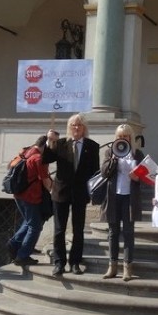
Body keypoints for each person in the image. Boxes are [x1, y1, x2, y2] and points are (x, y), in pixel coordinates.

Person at [48, 114, 99, 276]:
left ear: (84, 128)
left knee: (78, 230)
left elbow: (94, 172)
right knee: (59, 230)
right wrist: (50, 141)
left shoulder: (92, 146)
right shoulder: (61, 144)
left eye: (79, 125)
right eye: (73, 125)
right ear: (69, 128)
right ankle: (59, 262)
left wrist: (92, 191)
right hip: (61, 192)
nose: (76, 128)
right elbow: (46, 159)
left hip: (80, 193)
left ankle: (75, 262)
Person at [99, 124, 145, 281]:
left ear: (130, 138)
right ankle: (112, 266)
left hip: (129, 198)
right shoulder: (110, 152)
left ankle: (127, 267)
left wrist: (137, 178)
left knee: (128, 232)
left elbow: (146, 176)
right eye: (120, 136)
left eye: (125, 136)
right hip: (114, 196)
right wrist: (113, 161)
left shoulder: (137, 154)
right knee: (113, 232)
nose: (123, 139)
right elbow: (104, 173)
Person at [8, 135, 52, 267]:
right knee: (35, 226)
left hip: (18, 194)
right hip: (31, 196)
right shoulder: (39, 158)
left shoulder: (25, 151)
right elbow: (45, 182)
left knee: (29, 222)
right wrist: (52, 187)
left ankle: (14, 244)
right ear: (46, 146)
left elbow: (9, 166)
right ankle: (22, 255)